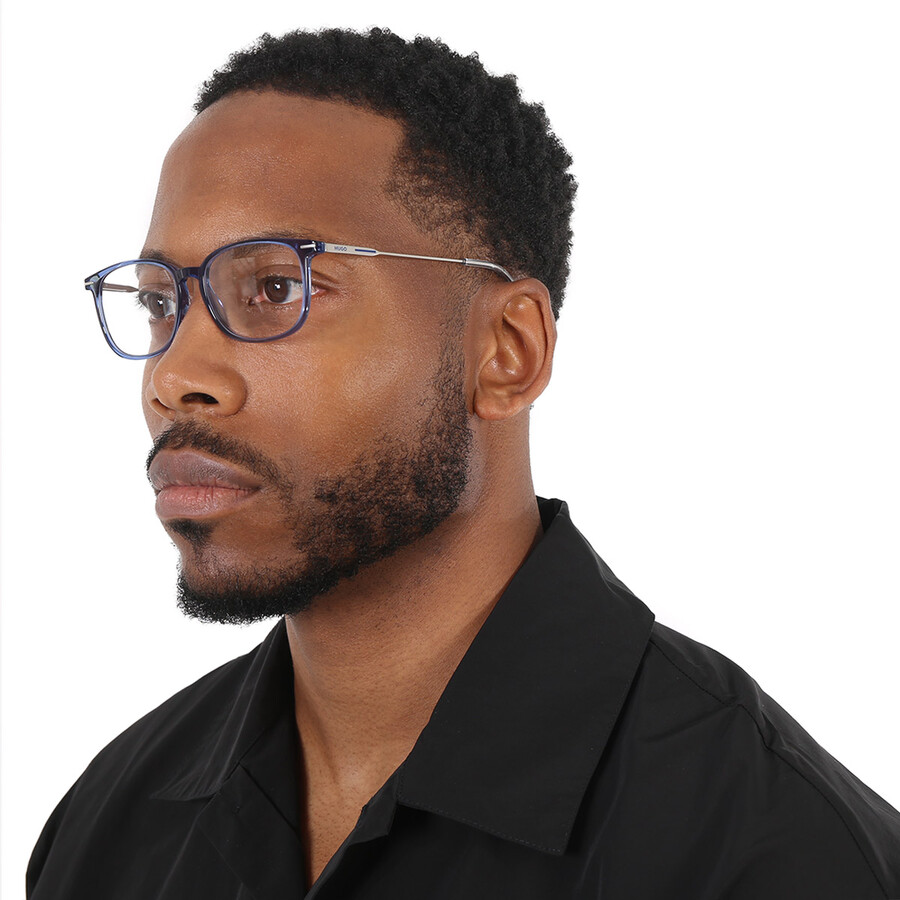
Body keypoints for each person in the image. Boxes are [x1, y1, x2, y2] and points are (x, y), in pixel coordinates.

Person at [26, 27, 900, 900]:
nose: (175, 376)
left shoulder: (774, 855)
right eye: (159, 303)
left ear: (507, 352)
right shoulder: (110, 828)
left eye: (278, 288)